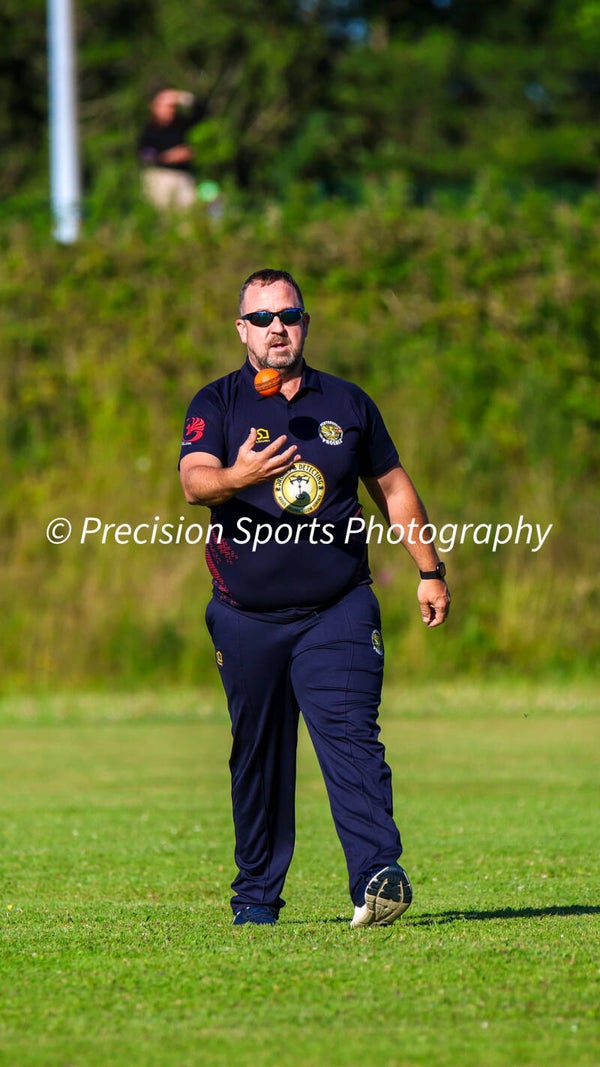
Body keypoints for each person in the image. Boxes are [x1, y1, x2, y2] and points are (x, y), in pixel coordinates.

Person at [178, 268, 450, 928]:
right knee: (259, 757)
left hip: (339, 607)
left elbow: (392, 486)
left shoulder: (348, 403)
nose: (278, 328)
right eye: (264, 317)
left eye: (289, 315)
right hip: (246, 619)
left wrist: (428, 567)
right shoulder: (217, 403)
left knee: (351, 736)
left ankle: (378, 875)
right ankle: (257, 899)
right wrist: (240, 474)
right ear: (242, 328)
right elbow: (195, 480)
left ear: (305, 323)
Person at [137, 87, 205, 211]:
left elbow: (202, 111)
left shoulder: (181, 125)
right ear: (155, 107)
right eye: (166, 106)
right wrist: (168, 157)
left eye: (172, 106)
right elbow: (145, 156)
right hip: (159, 177)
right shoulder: (149, 130)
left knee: (188, 215)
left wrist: (181, 97)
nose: (170, 110)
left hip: (183, 176)